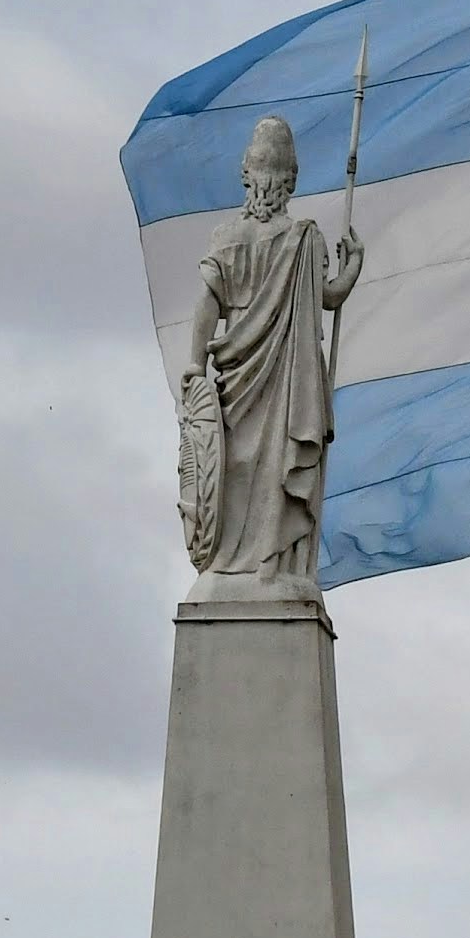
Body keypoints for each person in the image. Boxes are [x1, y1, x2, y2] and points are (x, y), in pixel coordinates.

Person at [178, 114, 364, 586]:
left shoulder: (228, 239)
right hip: (285, 375)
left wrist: (194, 364)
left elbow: (208, 303)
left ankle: (226, 567)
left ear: (246, 173)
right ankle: (269, 564)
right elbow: (329, 297)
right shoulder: (304, 237)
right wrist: (353, 267)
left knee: (235, 467)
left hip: (243, 372)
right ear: (292, 179)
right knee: (271, 469)